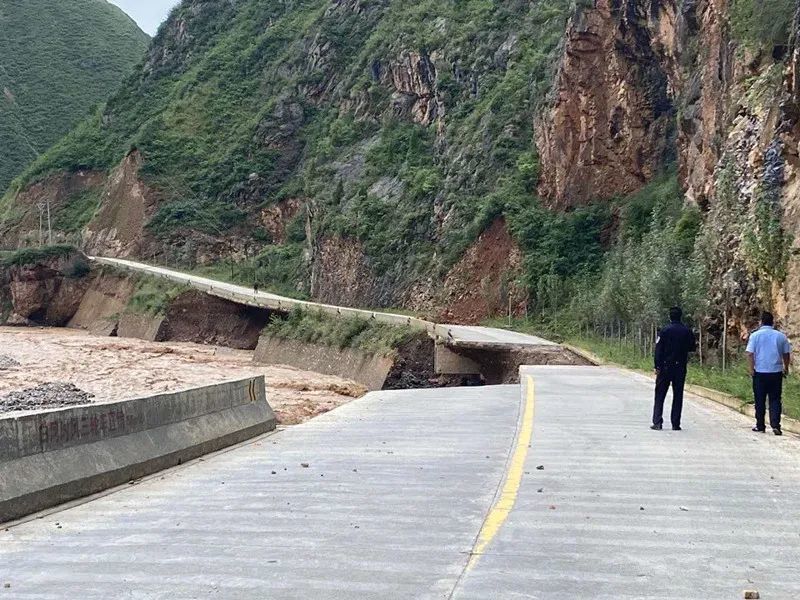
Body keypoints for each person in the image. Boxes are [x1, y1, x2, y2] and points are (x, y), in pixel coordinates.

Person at [651, 306, 696, 431]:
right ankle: (675, 423)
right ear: (680, 316)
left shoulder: (665, 330)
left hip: (665, 367)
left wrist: (657, 366)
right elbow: (692, 347)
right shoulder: (687, 331)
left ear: (669, 316)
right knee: (678, 395)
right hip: (680, 367)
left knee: (660, 394)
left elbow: (658, 349)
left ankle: (657, 422)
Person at [746, 311, 791, 436]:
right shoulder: (781, 336)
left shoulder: (755, 336)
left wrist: (751, 369)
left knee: (759, 399)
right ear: (773, 322)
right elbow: (786, 354)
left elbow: (750, 353)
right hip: (776, 372)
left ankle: (760, 425)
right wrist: (786, 367)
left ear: (761, 322)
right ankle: (776, 425)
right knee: (775, 399)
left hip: (760, 372)